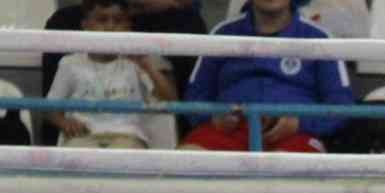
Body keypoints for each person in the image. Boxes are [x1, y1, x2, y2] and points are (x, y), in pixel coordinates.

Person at [180, 0, 354, 154]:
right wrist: (214, 116)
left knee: (283, 170)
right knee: (183, 160)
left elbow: (342, 106)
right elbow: (195, 96)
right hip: (228, 132)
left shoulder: (320, 38)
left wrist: (299, 123)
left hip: (297, 136)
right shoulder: (222, 33)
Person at [40, 0, 204, 147]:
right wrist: (63, 122)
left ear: (128, 26)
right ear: (85, 25)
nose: (110, 27)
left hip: (127, 136)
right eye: (102, 20)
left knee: (126, 152)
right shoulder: (70, 63)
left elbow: (170, 100)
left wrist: (147, 66)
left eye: (118, 21)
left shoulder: (139, 60)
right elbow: (50, 108)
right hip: (83, 135)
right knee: (75, 154)